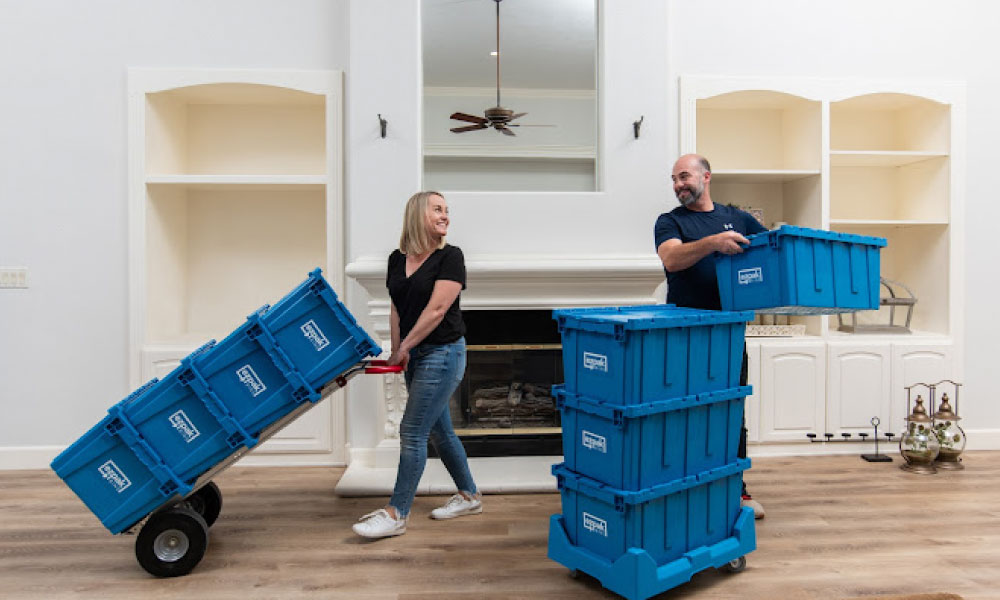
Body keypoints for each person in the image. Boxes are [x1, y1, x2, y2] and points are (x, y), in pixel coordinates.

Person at [353, 191, 482, 539]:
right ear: (417, 215)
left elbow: (437, 311)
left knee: (412, 433)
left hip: (443, 354)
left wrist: (404, 347)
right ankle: (469, 495)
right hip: (417, 356)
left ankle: (396, 514)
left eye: (447, 211)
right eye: (438, 209)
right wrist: (397, 349)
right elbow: (397, 308)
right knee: (440, 431)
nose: (445, 216)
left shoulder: (450, 257)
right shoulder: (397, 259)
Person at [654, 154, 767, 519]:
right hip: (684, 335)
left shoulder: (739, 218)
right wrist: (713, 242)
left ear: (706, 176)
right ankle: (683, 486)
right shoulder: (671, 222)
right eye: (674, 179)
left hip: (729, 332)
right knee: (683, 412)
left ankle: (736, 490)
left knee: (731, 412)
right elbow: (671, 260)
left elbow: (771, 255)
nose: (678, 185)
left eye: (684, 176)